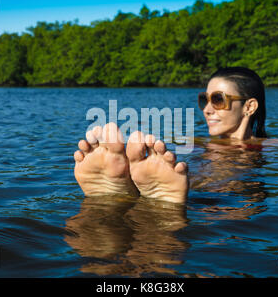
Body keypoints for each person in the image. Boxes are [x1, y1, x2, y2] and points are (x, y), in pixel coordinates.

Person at [73, 67, 267, 204]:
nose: (206, 109)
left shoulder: (275, 146)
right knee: (179, 184)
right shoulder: (196, 143)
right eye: (204, 100)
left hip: (224, 198)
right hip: (202, 196)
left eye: (217, 99)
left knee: (214, 190)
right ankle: (130, 193)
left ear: (249, 107)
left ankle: (119, 201)